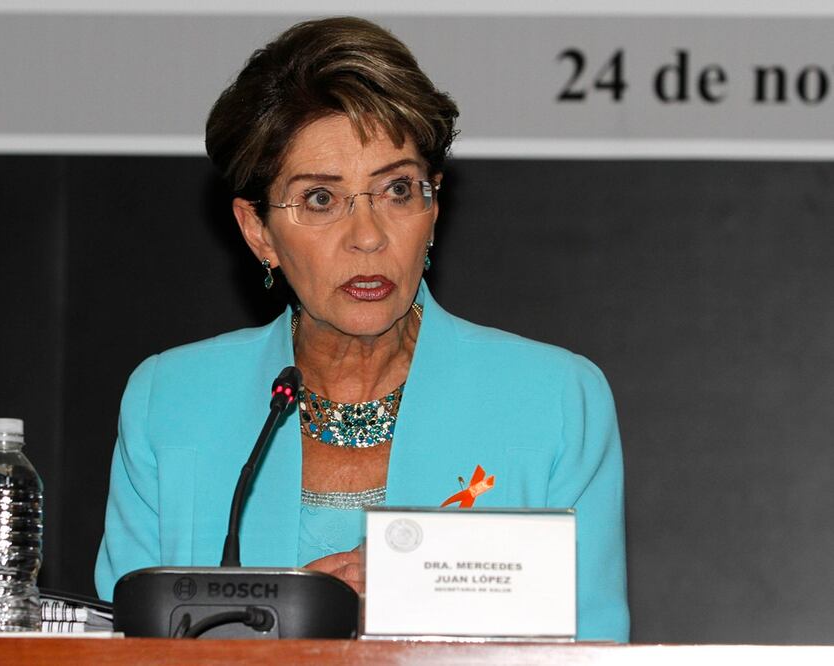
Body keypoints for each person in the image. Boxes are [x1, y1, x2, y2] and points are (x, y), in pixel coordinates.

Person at [94, 16, 629, 642]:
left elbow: (593, 654)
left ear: (434, 209)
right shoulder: (171, 403)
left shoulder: (554, 402)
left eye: (397, 189)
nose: (369, 236)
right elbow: (121, 651)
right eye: (320, 199)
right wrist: (293, 627)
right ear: (258, 230)